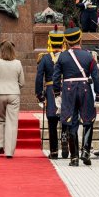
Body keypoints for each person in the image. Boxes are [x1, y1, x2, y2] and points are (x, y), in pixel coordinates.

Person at [53, 26, 99, 167]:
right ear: (79, 39)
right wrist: (98, 94)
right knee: (88, 119)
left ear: (67, 41)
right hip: (85, 88)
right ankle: (85, 152)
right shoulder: (88, 55)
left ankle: (74, 157)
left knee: (71, 121)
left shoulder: (62, 56)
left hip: (68, 90)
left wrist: (57, 93)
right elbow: (95, 77)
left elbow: (56, 78)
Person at [35, 28, 67, 159]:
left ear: (50, 42)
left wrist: (39, 94)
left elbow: (39, 77)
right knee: (66, 119)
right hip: (65, 90)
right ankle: (66, 146)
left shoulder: (45, 58)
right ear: (62, 42)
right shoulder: (67, 57)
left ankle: (54, 151)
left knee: (52, 121)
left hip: (50, 91)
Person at [0, 40, 23, 158]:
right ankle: (9, 152)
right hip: (14, 93)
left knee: (1, 119)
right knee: (12, 123)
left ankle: (0, 144)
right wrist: (14, 87)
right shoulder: (18, 63)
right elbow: (22, 82)